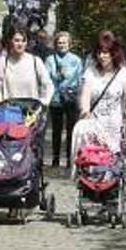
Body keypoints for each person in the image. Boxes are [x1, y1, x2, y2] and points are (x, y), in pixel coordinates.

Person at [78, 30, 126, 153]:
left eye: (105, 53)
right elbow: (85, 96)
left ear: (113, 54)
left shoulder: (123, 74)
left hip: (115, 127)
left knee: (112, 166)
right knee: (94, 164)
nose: (101, 56)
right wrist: (85, 111)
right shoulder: (90, 72)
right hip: (93, 125)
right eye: (99, 53)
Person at [45, 31, 84, 167]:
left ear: (69, 44)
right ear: (55, 44)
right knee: (56, 130)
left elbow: (80, 79)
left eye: (64, 43)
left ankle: (70, 158)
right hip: (55, 98)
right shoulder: (50, 59)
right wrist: (57, 75)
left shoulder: (76, 60)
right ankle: (55, 158)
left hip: (71, 97)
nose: (62, 45)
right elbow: (46, 77)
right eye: (59, 43)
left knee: (71, 129)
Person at [0, 28, 52, 106]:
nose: (20, 44)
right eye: (17, 40)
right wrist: (0, 102)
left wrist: (43, 102)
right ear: (10, 41)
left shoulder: (35, 61)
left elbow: (48, 84)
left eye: (23, 41)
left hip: (31, 110)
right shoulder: (3, 62)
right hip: (10, 110)